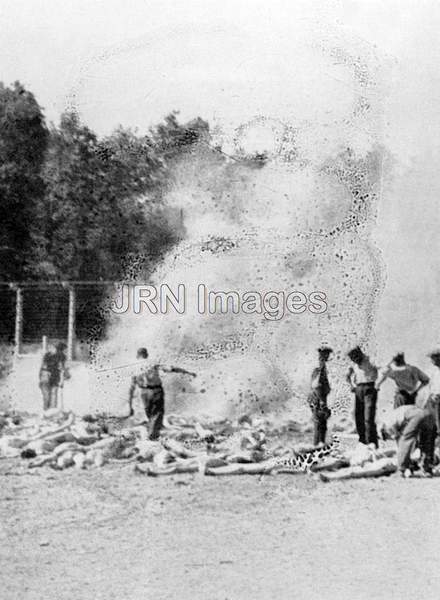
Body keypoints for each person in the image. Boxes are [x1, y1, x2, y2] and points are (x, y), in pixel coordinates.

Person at [128, 347, 197, 440]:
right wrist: (188, 372)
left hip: (144, 392)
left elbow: (131, 387)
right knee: (157, 414)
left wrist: (130, 406)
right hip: (156, 391)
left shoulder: (134, 367)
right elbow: (172, 368)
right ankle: (152, 436)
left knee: (150, 415)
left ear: (137, 355)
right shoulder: (153, 362)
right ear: (146, 354)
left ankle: (154, 434)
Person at [380, 404, 437, 477]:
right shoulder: (397, 417)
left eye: (387, 437)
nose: (389, 438)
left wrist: (401, 456)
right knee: (427, 443)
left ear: (383, 431)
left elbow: (401, 440)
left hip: (417, 416)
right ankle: (427, 469)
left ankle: (401, 470)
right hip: (429, 415)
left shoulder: (387, 423)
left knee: (405, 441)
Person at [346, 346, 378, 447]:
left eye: (356, 358)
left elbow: (381, 370)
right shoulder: (353, 364)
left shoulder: (370, 360)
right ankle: (362, 441)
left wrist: (378, 384)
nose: (355, 361)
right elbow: (347, 375)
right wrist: (351, 385)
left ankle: (371, 443)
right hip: (358, 388)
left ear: (360, 354)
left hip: (370, 387)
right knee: (358, 416)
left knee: (368, 417)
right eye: (353, 359)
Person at [308, 346, 333, 445]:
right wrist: (322, 401)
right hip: (319, 398)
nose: (327, 358)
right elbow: (317, 386)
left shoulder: (319, 370)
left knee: (320, 424)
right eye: (325, 356)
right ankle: (318, 445)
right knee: (320, 424)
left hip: (318, 398)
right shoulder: (320, 370)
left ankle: (318, 444)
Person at [39, 342, 68, 411]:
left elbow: (62, 368)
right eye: (62, 350)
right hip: (47, 376)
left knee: (51, 395)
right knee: (49, 395)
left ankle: (51, 411)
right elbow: (44, 366)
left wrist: (62, 380)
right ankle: (48, 411)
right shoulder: (49, 355)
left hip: (51, 376)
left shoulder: (61, 356)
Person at [425, 348, 440, 432]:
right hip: (435, 401)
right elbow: (431, 387)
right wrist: (432, 395)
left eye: (432, 358)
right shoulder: (435, 372)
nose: (431, 361)